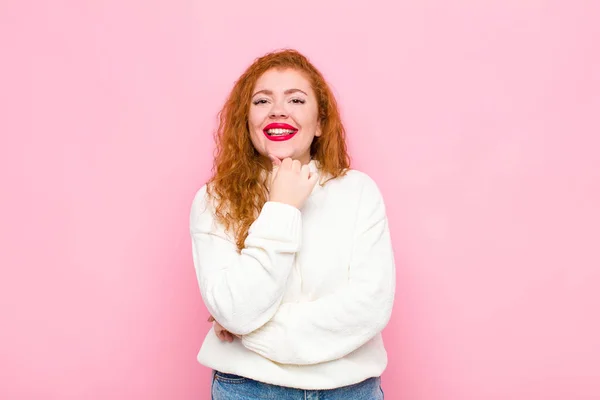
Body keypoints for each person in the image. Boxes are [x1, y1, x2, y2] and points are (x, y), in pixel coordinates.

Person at [189, 48, 396, 399]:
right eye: (262, 101)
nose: (278, 110)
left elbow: (370, 305)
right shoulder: (215, 199)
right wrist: (282, 207)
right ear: (247, 121)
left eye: (296, 99)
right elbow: (235, 308)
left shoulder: (359, 192)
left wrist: (248, 333)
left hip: (351, 391)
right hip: (247, 390)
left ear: (319, 124)